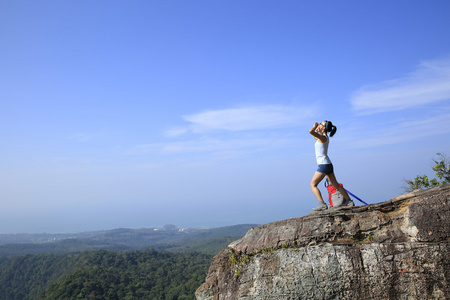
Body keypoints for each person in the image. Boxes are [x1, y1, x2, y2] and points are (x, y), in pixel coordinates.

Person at [309, 120, 354, 211]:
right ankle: (349, 201)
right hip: (327, 164)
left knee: (313, 185)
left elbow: (311, 132)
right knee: (336, 185)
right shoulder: (323, 137)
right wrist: (318, 129)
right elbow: (314, 135)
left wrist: (314, 127)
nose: (318, 125)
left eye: (320, 124)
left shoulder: (323, 138)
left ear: (324, 127)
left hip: (323, 165)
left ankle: (322, 204)